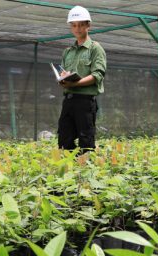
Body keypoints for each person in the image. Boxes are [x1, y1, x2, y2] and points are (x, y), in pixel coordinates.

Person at [58, 6, 106, 153]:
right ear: (71, 27)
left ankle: (85, 172)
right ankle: (69, 172)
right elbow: (64, 74)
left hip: (85, 102)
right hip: (68, 100)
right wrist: (63, 79)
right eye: (74, 25)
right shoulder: (67, 52)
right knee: (64, 139)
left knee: (86, 140)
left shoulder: (95, 48)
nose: (77, 28)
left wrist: (75, 83)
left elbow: (97, 75)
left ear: (88, 26)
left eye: (81, 25)